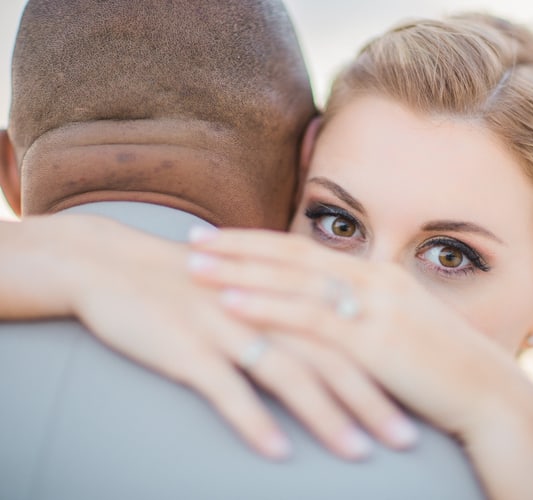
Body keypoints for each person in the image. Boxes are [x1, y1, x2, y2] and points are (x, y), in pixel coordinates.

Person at [0, 1, 487, 499]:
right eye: (341, 223)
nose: (377, 288)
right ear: (301, 174)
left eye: (451, 255)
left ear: (8, 174)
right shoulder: (422, 468)